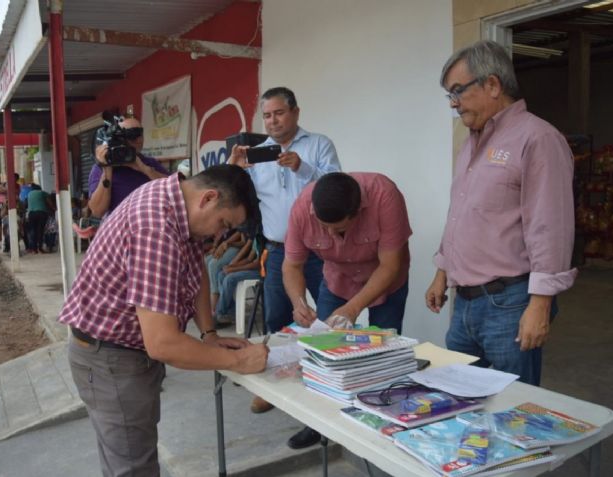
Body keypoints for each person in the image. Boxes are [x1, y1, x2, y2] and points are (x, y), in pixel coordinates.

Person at [59, 165, 267, 477]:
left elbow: (195, 271)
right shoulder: (155, 227)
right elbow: (163, 343)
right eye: (223, 223)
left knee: (128, 459)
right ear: (208, 198)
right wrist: (237, 360)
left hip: (119, 353)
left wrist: (209, 334)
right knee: (133, 468)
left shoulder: (177, 205)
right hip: (113, 358)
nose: (219, 234)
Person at [425, 40, 576, 387]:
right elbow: (461, 213)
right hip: (464, 302)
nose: (453, 103)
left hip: (510, 304)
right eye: (449, 95)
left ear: (492, 85)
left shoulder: (538, 138)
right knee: (457, 398)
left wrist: (540, 305)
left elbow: (550, 227)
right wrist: (442, 271)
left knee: (513, 409)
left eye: (458, 91)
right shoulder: (471, 142)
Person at [227, 86, 342, 425]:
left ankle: (328, 385)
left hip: (321, 250)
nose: (272, 120)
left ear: (295, 113)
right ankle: (273, 386)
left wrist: (303, 169)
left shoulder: (319, 144)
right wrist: (235, 169)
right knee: (278, 321)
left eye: (278, 113)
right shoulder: (258, 153)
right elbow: (235, 198)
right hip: (278, 251)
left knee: (329, 319)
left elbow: (336, 186)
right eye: (266, 115)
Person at [283, 171, 413, 447]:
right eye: (324, 226)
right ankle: (317, 424)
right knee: (322, 354)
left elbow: (390, 265)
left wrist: (352, 309)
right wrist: (298, 302)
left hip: (385, 281)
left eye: (339, 228)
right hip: (337, 280)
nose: (330, 234)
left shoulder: (384, 195)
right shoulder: (301, 208)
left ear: (357, 213)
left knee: (382, 356)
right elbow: (292, 265)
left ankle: (378, 421)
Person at [87, 117, 169, 217]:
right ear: (118, 138)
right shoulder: (100, 167)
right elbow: (97, 211)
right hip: (122, 229)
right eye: (132, 135)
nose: (139, 139)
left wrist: (145, 170)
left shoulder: (148, 162)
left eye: (140, 134)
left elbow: (173, 189)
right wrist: (107, 169)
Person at [25, 184, 50, 254]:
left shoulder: (29, 194)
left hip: (31, 214)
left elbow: (26, 204)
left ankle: (34, 249)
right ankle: (40, 248)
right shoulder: (42, 192)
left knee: (33, 231)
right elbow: (49, 201)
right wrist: (54, 208)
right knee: (40, 231)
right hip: (41, 213)